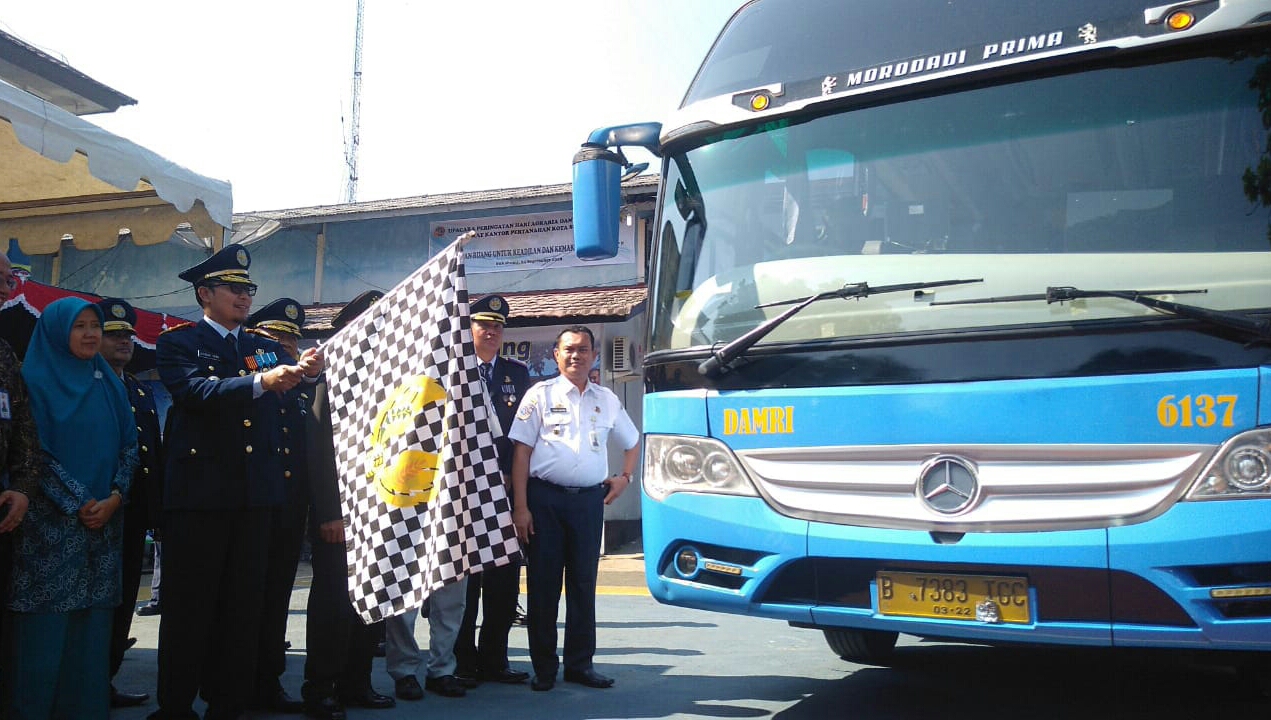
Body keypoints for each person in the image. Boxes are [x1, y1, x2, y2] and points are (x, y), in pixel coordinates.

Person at [151, 244, 323, 720]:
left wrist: (304, 376)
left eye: (248, 289)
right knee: (190, 609)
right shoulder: (179, 344)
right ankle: (176, 706)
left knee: (244, 609)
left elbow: (285, 411)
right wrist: (262, 384)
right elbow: (194, 391)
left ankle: (229, 705)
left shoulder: (262, 348)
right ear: (205, 294)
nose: (244, 297)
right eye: (234, 289)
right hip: (201, 499)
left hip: (255, 498)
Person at [5, 297, 139, 719]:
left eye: (94, 326)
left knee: (92, 632)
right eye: (79, 326)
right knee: (44, 633)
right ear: (56, 331)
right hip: (49, 529)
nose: (90, 334)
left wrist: (115, 497)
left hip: (104, 528)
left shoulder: (108, 382)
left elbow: (130, 445)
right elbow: (32, 452)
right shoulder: (34, 379)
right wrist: (80, 501)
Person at [509, 325, 639, 692]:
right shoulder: (540, 395)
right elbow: (521, 452)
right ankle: (545, 669)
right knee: (544, 586)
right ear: (555, 354)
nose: (575, 356)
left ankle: (580, 665)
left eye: (583, 349)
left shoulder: (607, 400)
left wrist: (624, 477)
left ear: (594, 355)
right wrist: (521, 506)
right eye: (568, 349)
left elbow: (632, 441)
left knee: (583, 585)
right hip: (545, 501)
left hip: (587, 503)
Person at [301, 290, 395, 720]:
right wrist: (329, 512)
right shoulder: (335, 378)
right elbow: (319, 449)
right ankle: (321, 688)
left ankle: (357, 682)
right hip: (341, 513)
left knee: (371, 601)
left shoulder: (391, 377)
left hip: (380, 509)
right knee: (333, 604)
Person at [453, 295, 531, 686]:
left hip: (503, 493)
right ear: (469, 329)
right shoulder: (454, 374)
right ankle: (462, 660)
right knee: (466, 583)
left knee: (503, 580)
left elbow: (523, 441)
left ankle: (495, 659)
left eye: (498, 327)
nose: (492, 332)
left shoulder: (517, 376)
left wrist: (519, 496)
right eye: (484, 325)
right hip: (464, 494)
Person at [245, 298, 313, 714]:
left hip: (289, 507)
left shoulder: (303, 389)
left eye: (291, 339)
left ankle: (267, 680)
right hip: (253, 505)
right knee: (244, 598)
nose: (286, 346)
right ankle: (235, 680)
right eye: (276, 338)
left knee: (275, 601)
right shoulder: (252, 381)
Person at [96, 298, 162, 709]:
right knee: (98, 601)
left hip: (134, 512)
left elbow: (151, 453)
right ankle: (88, 679)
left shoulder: (137, 387)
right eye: (114, 335)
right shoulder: (92, 382)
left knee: (123, 599)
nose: (125, 342)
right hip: (96, 512)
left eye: (128, 335)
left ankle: (107, 677)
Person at [0, 252, 40, 682]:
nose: (6, 288)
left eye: (11, 280)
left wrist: (24, 487)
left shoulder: (5, 355)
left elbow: (23, 429)